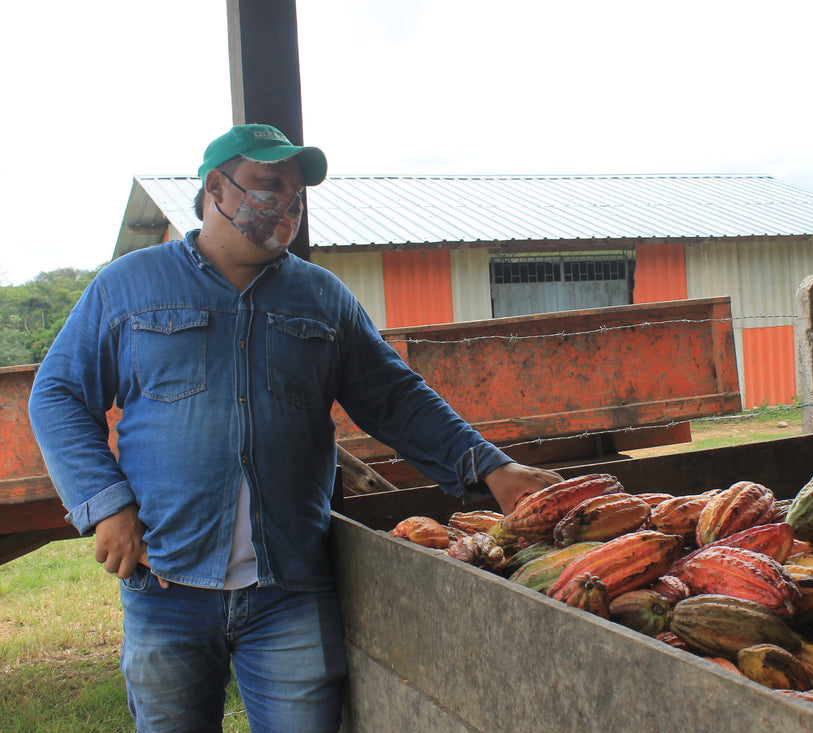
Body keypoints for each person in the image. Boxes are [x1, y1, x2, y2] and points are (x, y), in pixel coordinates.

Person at [28, 123, 561, 732]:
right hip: (167, 585)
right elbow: (58, 394)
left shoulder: (320, 298)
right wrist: (104, 503)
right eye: (267, 183)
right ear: (215, 188)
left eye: (296, 191)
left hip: (289, 591)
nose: (285, 202)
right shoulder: (130, 287)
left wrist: (492, 466)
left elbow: (395, 397)